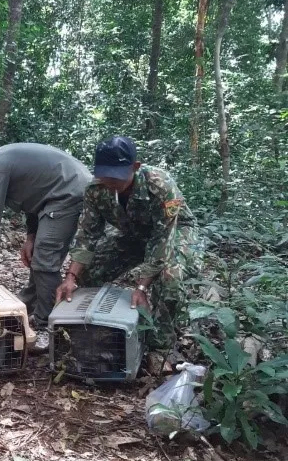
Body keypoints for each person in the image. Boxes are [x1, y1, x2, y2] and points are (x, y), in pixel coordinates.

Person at [57, 135, 202, 364]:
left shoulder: (160, 185)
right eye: (104, 174)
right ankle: (90, 329)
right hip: (132, 234)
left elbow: (162, 239)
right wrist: (71, 277)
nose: (110, 181)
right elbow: (87, 236)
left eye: (116, 175)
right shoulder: (96, 189)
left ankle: (159, 344)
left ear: (135, 167)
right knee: (88, 271)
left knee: (169, 278)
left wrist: (142, 286)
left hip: (174, 232)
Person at [0, 133, 92, 351]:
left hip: (67, 192)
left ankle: (48, 329)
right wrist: (31, 236)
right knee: (39, 257)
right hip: (56, 193)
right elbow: (34, 195)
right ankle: (25, 307)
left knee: (45, 260)